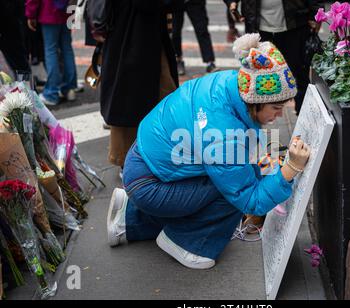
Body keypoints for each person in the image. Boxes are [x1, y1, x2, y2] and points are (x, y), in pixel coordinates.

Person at [106, 33, 311, 269]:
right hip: (150, 182)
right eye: (276, 107)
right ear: (254, 102)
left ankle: (130, 217)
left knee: (238, 174)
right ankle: (188, 243)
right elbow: (250, 202)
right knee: (232, 191)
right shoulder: (225, 136)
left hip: (145, 164)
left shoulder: (230, 82)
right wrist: (290, 169)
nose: (278, 115)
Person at [99, 0, 179, 170]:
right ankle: (134, 162)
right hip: (137, 41)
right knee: (151, 101)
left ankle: (132, 160)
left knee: (132, 103)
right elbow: (147, 5)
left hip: (129, 40)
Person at [224, 0, 324, 115]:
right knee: (256, 79)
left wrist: (316, 12)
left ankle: (305, 118)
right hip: (257, 27)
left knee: (299, 75)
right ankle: (257, 119)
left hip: (294, 24)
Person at [25, 0, 78, 105]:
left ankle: (52, 93)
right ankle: (69, 88)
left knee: (51, 50)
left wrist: (30, 13)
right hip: (69, 8)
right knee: (67, 48)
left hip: (49, 9)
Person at [172, 0, 218, 75]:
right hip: (175, 3)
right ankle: (178, 59)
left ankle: (210, 62)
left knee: (202, 30)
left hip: (195, 2)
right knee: (175, 32)